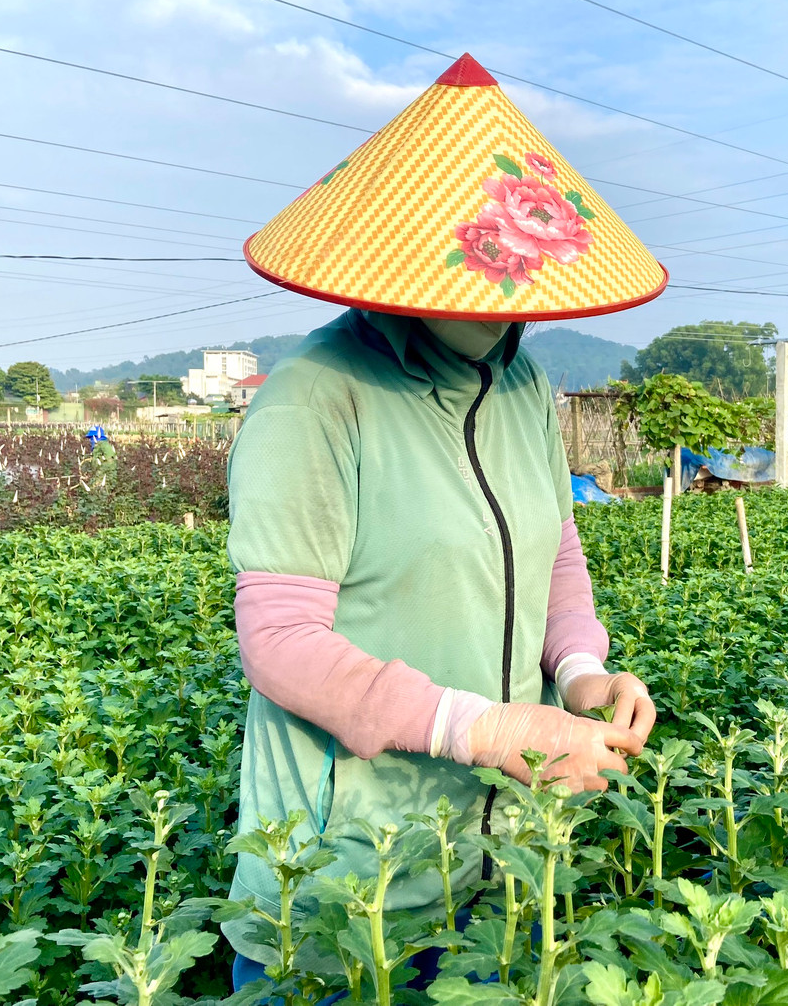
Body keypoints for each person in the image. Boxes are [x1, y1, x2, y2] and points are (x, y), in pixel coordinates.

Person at [224, 53, 670, 995]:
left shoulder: (523, 386)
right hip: (345, 881)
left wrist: (581, 674)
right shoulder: (318, 398)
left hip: (492, 867)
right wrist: (481, 728)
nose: (500, 308)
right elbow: (281, 642)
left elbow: (557, 555)